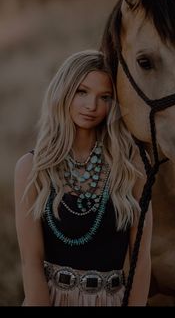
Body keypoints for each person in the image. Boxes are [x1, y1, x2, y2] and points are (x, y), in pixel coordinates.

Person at [14, 49, 152, 307]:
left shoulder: (130, 168)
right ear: (63, 91)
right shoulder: (32, 167)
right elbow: (30, 261)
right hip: (52, 299)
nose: (92, 106)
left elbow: (141, 259)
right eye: (82, 92)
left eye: (105, 97)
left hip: (112, 300)